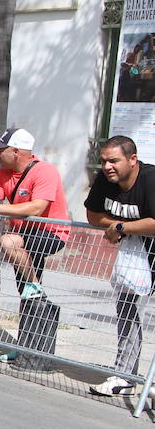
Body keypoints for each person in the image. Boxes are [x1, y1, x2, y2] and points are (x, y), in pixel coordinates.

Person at [84, 135, 155, 395]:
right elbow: (93, 215)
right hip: (136, 257)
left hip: (150, 253)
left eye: (113, 161)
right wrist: (116, 227)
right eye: (103, 161)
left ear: (133, 159)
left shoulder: (150, 179)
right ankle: (124, 376)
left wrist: (121, 227)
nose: (107, 167)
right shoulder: (106, 180)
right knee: (127, 311)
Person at [0, 128, 69, 302]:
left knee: (8, 242)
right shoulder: (4, 173)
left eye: (1, 150)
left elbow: (36, 208)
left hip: (50, 232)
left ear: (16, 152)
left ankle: (36, 286)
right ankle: (32, 308)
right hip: (23, 233)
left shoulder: (45, 171)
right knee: (24, 290)